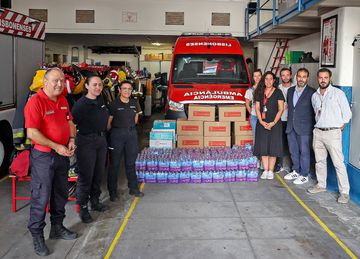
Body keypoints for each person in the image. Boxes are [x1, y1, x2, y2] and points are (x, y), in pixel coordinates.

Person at [24, 68, 77, 256]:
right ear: (45, 82)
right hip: (43, 157)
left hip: (62, 154)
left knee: (60, 193)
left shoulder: (62, 100)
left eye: (62, 81)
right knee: (41, 196)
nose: (60, 84)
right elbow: (32, 134)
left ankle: (57, 227)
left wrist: (71, 139)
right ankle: (37, 235)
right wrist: (56, 146)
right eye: (55, 81)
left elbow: (70, 122)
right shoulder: (35, 102)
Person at [308, 68, 352, 204]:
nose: (323, 80)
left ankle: (344, 192)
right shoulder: (314, 96)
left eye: (325, 77)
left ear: (330, 78)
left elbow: (347, 115)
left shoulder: (338, 93)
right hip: (318, 132)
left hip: (333, 132)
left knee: (338, 163)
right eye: (320, 77)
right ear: (317, 79)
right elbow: (316, 113)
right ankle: (321, 185)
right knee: (319, 161)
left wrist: (338, 129)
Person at [71, 75, 110, 223]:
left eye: (99, 85)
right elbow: (72, 124)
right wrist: (72, 141)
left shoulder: (101, 100)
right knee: (86, 176)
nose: (98, 88)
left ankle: (95, 202)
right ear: (86, 86)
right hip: (86, 141)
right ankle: (83, 208)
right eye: (94, 85)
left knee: (98, 174)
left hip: (101, 140)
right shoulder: (81, 104)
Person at [107, 80, 144, 201]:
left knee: (130, 163)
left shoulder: (135, 103)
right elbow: (109, 123)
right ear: (119, 90)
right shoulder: (113, 104)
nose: (127, 91)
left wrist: (130, 129)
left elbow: (136, 119)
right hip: (117, 134)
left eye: (129, 89)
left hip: (131, 134)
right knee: (115, 164)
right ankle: (112, 192)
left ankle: (133, 188)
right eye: (124, 89)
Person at [283, 68, 316, 185]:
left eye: (304, 76)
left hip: (305, 128)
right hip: (291, 126)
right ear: (296, 77)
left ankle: (304, 174)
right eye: (299, 76)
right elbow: (292, 108)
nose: (301, 79)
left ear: (307, 78)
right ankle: (296, 170)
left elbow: (315, 111)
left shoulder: (312, 92)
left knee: (304, 152)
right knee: (293, 150)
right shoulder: (291, 91)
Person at [253, 71, 285, 180]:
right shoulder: (259, 92)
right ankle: (265, 170)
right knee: (263, 147)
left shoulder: (278, 92)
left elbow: (281, 109)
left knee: (273, 147)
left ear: (274, 80)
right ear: (263, 80)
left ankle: (271, 171)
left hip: (274, 124)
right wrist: (261, 121)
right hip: (262, 123)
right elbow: (257, 108)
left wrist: (273, 122)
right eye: (266, 79)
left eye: (271, 79)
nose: (268, 81)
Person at [275, 67, 293, 173]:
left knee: (292, 143)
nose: (285, 77)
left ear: (290, 75)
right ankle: (279, 164)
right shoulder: (278, 89)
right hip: (280, 119)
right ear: (280, 77)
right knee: (279, 143)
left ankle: (293, 167)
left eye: (287, 75)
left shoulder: (296, 88)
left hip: (292, 120)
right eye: (283, 75)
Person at [245, 69, 262, 138]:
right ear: (253, 78)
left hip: (265, 116)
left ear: (262, 76)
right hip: (255, 117)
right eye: (255, 76)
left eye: (259, 75)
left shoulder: (266, 88)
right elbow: (247, 104)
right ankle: (256, 149)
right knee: (256, 136)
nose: (257, 78)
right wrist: (252, 113)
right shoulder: (249, 91)